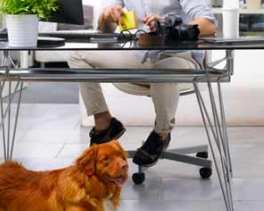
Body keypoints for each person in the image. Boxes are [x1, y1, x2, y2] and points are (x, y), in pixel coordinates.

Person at [66, 0, 217, 167]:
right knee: (77, 54)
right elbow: (105, 30)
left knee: (163, 69)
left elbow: (209, 25)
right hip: (141, 56)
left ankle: (161, 133)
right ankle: (104, 122)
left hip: (181, 57)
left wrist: (169, 27)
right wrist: (107, 16)